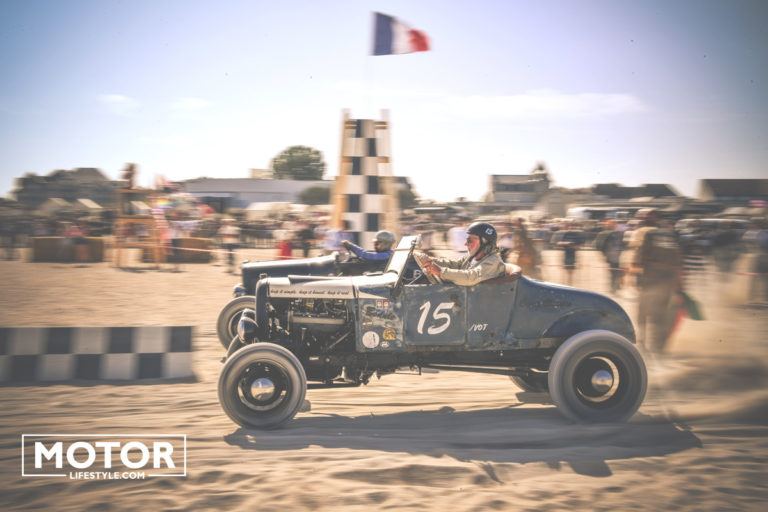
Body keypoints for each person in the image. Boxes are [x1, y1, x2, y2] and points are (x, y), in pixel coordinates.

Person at [629, 208, 683, 354]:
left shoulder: (648, 234)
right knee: (660, 315)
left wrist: (633, 277)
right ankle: (658, 346)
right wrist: (679, 285)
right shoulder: (673, 236)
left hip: (649, 280)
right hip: (666, 282)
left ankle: (642, 342)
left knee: (643, 313)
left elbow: (639, 259)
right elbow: (678, 263)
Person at [419, 221, 506, 286]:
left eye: (470, 240)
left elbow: (470, 277)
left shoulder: (493, 261)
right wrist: (431, 260)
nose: (466, 244)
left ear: (484, 243)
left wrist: (441, 271)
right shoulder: (472, 257)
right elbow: (454, 264)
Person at [594, 220, 625, 294]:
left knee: (615, 272)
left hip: (616, 256)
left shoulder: (619, 234)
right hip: (612, 256)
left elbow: (622, 244)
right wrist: (605, 254)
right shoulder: (612, 234)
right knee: (614, 273)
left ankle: (615, 287)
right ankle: (614, 288)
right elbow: (604, 245)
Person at [551, 221, 584, 286]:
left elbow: (580, 245)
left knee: (571, 269)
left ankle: (570, 282)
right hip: (566, 253)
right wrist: (562, 244)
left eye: (571, 226)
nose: (569, 228)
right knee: (566, 269)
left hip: (573, 253)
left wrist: (573, 246)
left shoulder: (576, 234)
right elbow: (559, 243)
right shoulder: (565, 234)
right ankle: (567, 282)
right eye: (567, 226)